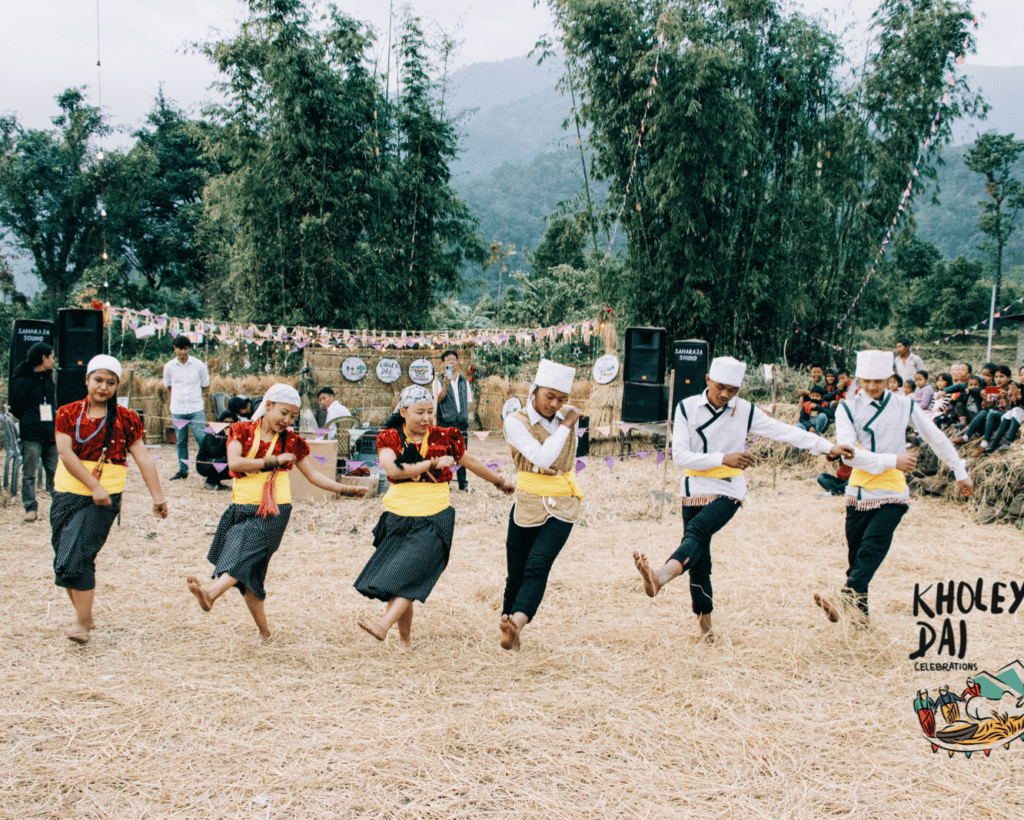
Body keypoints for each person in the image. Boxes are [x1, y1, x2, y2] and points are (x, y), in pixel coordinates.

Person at [633, 357, 854, 643]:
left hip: (729, 489)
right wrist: (723, 457)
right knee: (700, 562)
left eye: (733, 390)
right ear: (708, 379)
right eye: (721, 387)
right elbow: (681, 457)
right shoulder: (686, 407)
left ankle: (660, 577)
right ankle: (706, 632)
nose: (725, 395)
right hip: (694, 487)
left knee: (696, 533)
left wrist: (828, 446)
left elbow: (785, 432)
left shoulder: (746, 411)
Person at [187, 384, 367, 641]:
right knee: (251, 577)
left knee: (244, 551)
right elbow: (235, 463)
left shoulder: (292, 442)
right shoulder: (240, 431)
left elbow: (314, 474)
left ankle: (211, 593)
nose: (287, 420)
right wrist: (272, 461)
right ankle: (265, 632)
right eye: (284, 412)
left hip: (274, 512)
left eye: (293, 416)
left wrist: (345, 490)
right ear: (268, 405)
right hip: (241, 507)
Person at [814, 350, 972, 624]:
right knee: (856, 558)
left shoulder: (904, 405)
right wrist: (893, 459)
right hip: (859, 488)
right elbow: (849, 453)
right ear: (858, 380)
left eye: (878, 381)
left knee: (873, 546)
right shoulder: (846, 408)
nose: (872, 387)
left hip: (893, 489)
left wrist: (959, 469)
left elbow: (935, 437)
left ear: (889, 378)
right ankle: (861, 622)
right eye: (866, 381)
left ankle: (845, 597)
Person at [354, 385, 513, 650]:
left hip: (435, 516)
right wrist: (430, 463)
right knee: (401, 579)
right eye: (420, 412)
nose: (427, 418)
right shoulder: (390, 437)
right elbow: (393, 470)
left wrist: (498, 481)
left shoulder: (445, 436)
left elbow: (469, 461)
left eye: (431, 411)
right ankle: (404, 640)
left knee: (411, 574)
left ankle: (383, 624)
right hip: (398, 515)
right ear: (403, 411)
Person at [51, 355, 168, 644]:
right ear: (87, 380)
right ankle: (86, 615)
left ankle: (80, 623)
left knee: (80, 555)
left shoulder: (127, 419)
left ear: (117, 385)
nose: (104, 387)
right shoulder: (67, 413)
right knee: (63, 558)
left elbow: (144, 459)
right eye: (98, 380)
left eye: (110, 382)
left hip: (104, 498)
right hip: (67, 492)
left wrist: (158, 496)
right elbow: (66, 455)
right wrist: (92, 484)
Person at [499, 359, 584, 652]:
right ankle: (509, 629)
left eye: (562, 399)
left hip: (563, 502)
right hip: (529, 500)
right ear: (534, 390)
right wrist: (567, 426)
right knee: (516, 572)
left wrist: (565, 427)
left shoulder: (564, 421)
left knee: (538, 565)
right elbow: (543, 457)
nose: (555, 404)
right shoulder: (515, 422)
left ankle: (518, 621)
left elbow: (562, 462)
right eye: (550, 396)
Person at [9, 342, 58, 522]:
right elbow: (16, 408)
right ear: (43, 358)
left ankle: (58, 506)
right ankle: (30, 507)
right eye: (51, 356)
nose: (53, 360)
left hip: (50, 434)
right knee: (29, 473)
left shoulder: (48, 380)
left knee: (55, 472)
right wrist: (31, 418)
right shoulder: (22, 381)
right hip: (31, 435)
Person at [163, 334, 210, 480]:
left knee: (202, 438)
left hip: (196, 409)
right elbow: (168, 386)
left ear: (189, 348)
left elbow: (205, 385)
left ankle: (209, 469)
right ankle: (183, 471)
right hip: (177, 410)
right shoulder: (169, 367)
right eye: (179, 348)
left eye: (185, 348)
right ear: (174, 349)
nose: (182, 352)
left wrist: (194, 398)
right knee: (181, 441)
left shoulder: (199, 365)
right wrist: (178, 400)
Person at [433, 349, 474, 491]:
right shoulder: (438, 381)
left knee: (462, 453)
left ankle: (463, 483)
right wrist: (446, 384)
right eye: (448, 360)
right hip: (445, 422)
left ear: (457, 362)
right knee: (446, 453)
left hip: (461, 422)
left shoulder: (464, 381)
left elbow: (468, 402)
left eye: (454, 359)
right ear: (443, 363)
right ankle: (446, 482)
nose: (452, 362)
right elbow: (438, 399)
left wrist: (467, 417)